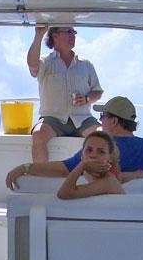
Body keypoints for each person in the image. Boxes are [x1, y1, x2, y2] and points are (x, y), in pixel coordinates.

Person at [5, 95, 143, 189]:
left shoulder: (99, 151)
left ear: (114, 121)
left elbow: (62, 169)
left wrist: (25, 168)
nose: (100, 120)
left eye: (103, 116)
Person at [26, 24, 103, 163]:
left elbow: (97, 91)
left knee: (104, 136)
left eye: (74, 32)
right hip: (53, 119)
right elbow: (32, 65)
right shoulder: (45, 62)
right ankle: (42, 175)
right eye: (69, 32)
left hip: (83, 119)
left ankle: (101, 175)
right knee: (38, 135)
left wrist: (86, 98)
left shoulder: (86, 64)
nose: (73, 35)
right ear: (55, 36)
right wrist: (38, 35)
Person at [56, 131, 123, 199]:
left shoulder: (108, 182)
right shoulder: (87, 174)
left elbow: (64, 194)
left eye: (101, 152)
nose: (93, 155)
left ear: (110, 158)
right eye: (89, 150)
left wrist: (82, 165)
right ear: (82, 154)